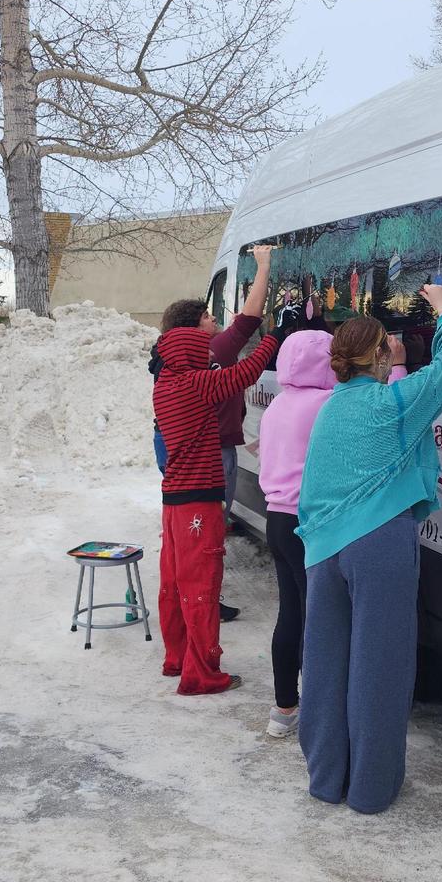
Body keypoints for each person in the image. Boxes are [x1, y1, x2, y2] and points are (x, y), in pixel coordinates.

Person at [295, 285, 442, 814]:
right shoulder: (396, 404)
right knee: (381, 664)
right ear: (377, 356)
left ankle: (327, 779)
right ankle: (371, 789)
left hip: (323, 551)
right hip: (379, 546)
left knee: (326, 663)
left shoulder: (331, 410)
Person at [258, 328, 408, 740]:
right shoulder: (326, 403)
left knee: (291, 613)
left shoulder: (278, 406)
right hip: (312, 524)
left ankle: (284, 707)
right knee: (322, 623)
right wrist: (396, 366)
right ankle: (325, 716)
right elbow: (383, 411)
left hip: (276, 519)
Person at [154, 322, 283, 695]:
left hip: (175, 500)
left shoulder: (166, 384)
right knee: (201, 588)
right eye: (203, 349)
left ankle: (176, 657)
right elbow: (247, 371)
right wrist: (274, 336)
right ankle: (201, 674)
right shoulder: (196, 385)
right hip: (199, 500)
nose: (211, 353)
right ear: (188, 355)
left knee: (175, 584)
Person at [150, 244, 274, 622]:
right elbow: (250, 324)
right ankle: (204, 599)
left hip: (177, 452)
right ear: (193, 327)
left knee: (186, 533)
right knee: (206, 529)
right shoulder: (211, 353)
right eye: (206, 315)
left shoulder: (169, 364)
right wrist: (265, 266)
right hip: (210, 455)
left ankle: (192, 595)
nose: (213, 319)